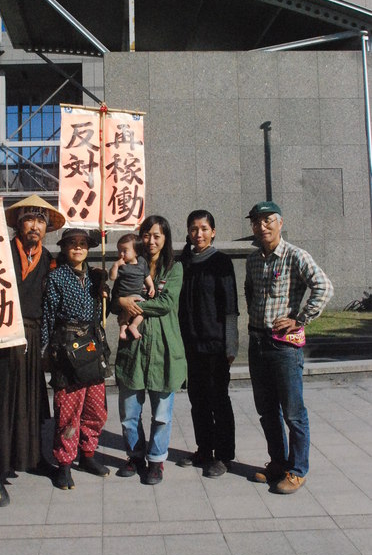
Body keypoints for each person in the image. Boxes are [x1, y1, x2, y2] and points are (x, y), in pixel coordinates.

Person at [0, 194, 65, 506]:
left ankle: (31, 457)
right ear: (18, 223)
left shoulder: (50, 259)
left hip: (32, 337)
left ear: (47, 227)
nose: (34, 226)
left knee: (29, 403)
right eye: (29, 218)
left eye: (40, 220)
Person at [245, 200, 334, 494]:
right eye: (257, 222)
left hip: (283, 346)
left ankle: (297, 470)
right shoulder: (254, 260)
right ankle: (278, 463)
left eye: (268, 220)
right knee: (266, 410)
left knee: (293, 412)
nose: (262, 226)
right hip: (257, 342)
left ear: (280, 223)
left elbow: (324, 286)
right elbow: (250, 292)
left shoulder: (296, 255)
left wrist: (299, 318)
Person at [115, 215, 187, 485]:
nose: (151, 241)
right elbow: (113, 302)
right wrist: (120, 299)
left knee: (161, 414)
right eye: (146, 235)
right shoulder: (128, 265)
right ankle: (134, 456)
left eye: (157, 235)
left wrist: (132, 304)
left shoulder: (174, 269)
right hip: (132, 349)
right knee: (129, 413)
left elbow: (166, 303)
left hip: (163, 349)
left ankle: (156, 460)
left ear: (166, 238)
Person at [41, 228, 110, 490]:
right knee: (68, 410)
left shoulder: (96, 276)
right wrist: (45, 350)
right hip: (66, 349)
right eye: (72, 244)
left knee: (95, 408)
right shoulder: (56, 277)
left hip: (92, 347)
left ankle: (89, 454)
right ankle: (64, 464)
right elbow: (48, 316)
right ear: (65, 247)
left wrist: (106, 292)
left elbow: (103, 310)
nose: (78, 248)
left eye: (83, 244)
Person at [178, 209, 239, 477]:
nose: (198, 233)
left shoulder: (221, 262)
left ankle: (224, 456)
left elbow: (230, 308)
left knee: (218, 399)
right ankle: (204, 448)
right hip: (191, 344)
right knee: (197, 399)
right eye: (194, 229)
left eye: (204, 228)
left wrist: (231, 345)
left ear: (213, 231)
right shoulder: (185, 262)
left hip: (215, 345)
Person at [109, 233, 155, 340]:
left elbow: (146, 275)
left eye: (125, 251)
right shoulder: (122, 266)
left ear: (136, 252)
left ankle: (130, 327)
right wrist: (115, 266)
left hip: (136, 295)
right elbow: (112, 277)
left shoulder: (142, 262)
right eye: (119, 250)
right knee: (131, 311)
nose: (121, 254)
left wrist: (151, 287)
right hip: (123, 295)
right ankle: (128, 328)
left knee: (141, 310)